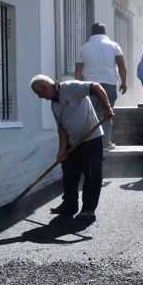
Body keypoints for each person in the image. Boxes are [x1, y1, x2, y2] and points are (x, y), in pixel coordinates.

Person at [30, 74, 114, 222]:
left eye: (39, 93)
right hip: (72, 143)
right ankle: (69, 205)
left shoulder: (71, 87)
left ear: (45, 87)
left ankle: (88, 209)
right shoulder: (54, 105)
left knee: (92, 175)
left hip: (91, 138)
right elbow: (61, 129)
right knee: (69, 174)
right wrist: (62, 150)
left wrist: (107, 108)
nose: (39, 97)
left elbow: (96, 86)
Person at [75, 23, 127, 150]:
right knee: (107, 113)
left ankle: (92, 144)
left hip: (90, 85)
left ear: (92, 33)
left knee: (91, 115)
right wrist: (123, 82)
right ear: (104, 33)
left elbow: (78, 70)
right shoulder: (114, 46)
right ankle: (106, 143)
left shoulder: (84, 48)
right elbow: (121, 65)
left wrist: (79, 85)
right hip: (109, 83)